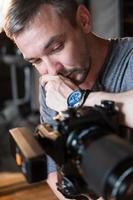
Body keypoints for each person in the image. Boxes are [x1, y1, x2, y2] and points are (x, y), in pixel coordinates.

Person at [2, 0, 133, 199]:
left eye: (56, 47)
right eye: (36, 61)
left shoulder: (130, 60)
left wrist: (76, 99)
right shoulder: (53, 84)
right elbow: (53, 166)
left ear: (84, 20)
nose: (52, 70)